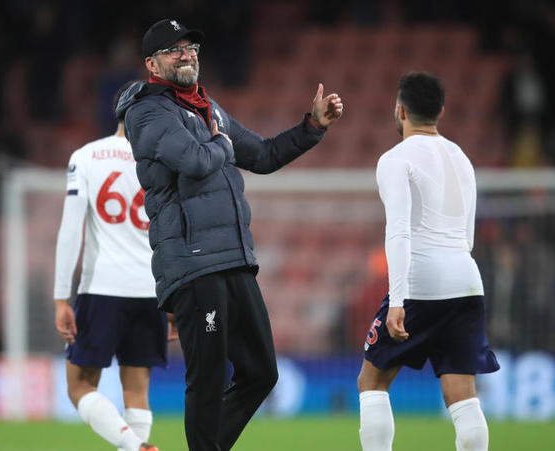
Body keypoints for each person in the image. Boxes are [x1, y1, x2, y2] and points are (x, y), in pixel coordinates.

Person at [116, 19, 343, 451]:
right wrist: (222, 144)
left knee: (262, 372)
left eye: (191, 48)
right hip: (191, 262)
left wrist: (312, 126)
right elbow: (197, 160)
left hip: (233, 257)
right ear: (152, 63)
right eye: (174, 50)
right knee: (207, 376)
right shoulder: (147, 111)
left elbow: (263, 154)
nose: (187, 55)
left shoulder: (206, 107)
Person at [357, 72, 500, 451]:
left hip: (421, 282)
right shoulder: (462, 158)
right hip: (467, 280)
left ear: (399, 110)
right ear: (440, 111)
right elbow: (467, 236)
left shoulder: (394, 159)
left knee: (371, 383)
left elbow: (399, 230)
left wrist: (399, 301)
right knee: (462, 394)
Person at [53, 80, 169, 451]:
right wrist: (175, 299)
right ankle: (138, 446)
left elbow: (71, 231)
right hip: (151, 290)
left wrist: (60, 299)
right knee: (137, 389)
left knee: (79, 386)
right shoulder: (165, 162)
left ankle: (135, 448)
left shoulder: (86, 157)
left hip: (102, 288)